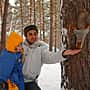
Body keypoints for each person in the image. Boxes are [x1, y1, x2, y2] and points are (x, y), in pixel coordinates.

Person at [22, 24, 80, 90]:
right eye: (30, 34)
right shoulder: (20, 48)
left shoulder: (41, 49)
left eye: (35, 34)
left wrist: (64, 53)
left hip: (30, 82)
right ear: (26, 36)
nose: (33, 36)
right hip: (17, 80)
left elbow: (51, 57)